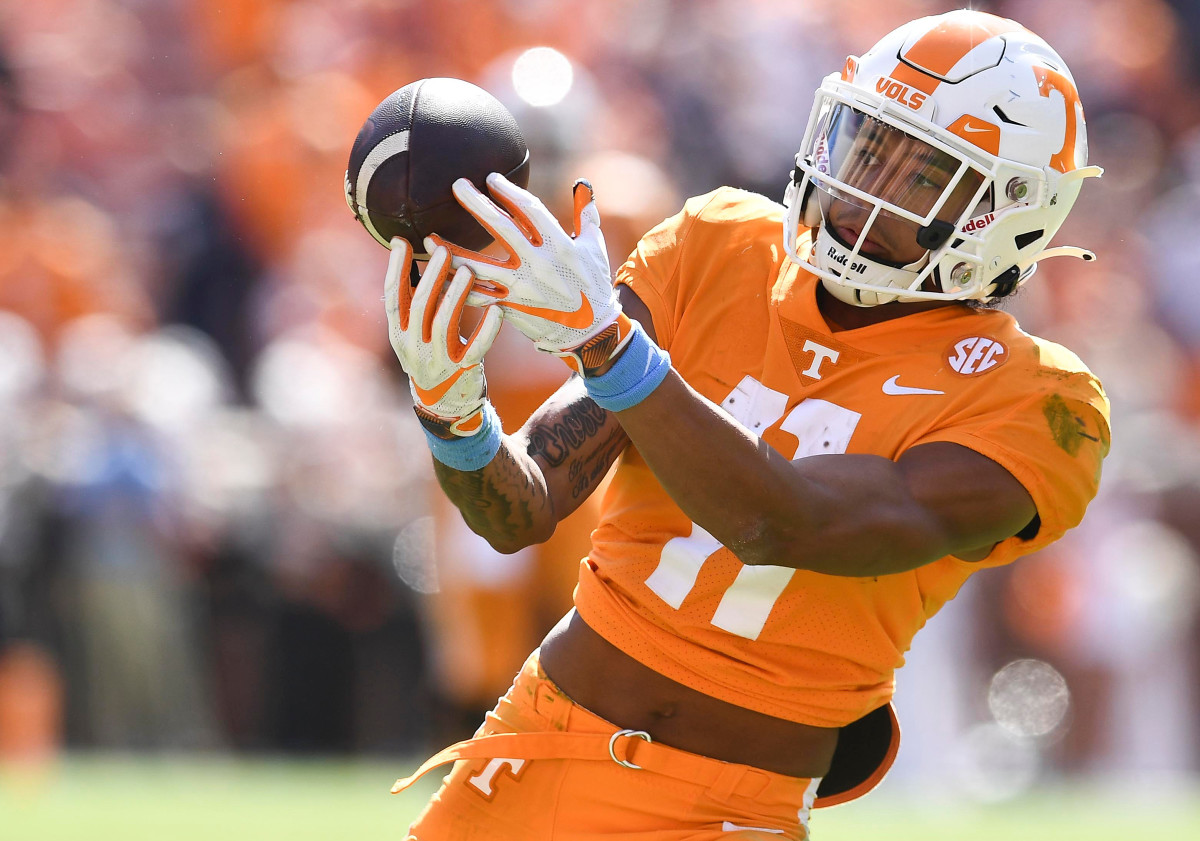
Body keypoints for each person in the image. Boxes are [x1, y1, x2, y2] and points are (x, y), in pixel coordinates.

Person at [385, 9, 1110, 840]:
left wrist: (608, 348)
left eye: (920, 174)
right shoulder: (719, 244)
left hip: (727, 805)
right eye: (868, 144)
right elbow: (522, 510)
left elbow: (783, 519)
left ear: (1006, 210)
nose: (862, 186)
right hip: (536, 740)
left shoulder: (1040, 402)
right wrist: (453, 411)